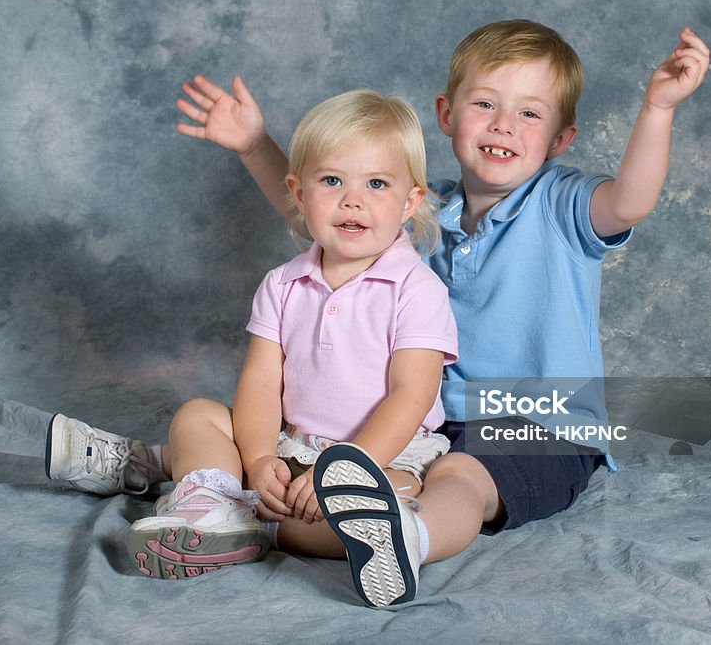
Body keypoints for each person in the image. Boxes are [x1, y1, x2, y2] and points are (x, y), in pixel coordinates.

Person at [172, 19, 710, 602]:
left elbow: (629, 201)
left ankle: (408, 538)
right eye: (485, 103)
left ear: (560, 139)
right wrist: (255, 145)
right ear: (448, 115)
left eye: (530, 113)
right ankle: (198, 485)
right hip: (431, 427)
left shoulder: (561, 204)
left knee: (459, 477)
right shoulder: (426, 213)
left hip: (538, 424)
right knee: (259, 436)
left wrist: (657, 108)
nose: (504, 124)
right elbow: (327, 213)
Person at [46, 90, 458, 605]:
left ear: (410, 201)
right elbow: (262, 383)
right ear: (298, 191)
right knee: (200, 414)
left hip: (383, 453)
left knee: (370, 506)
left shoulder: (417, 289)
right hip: (294, 442)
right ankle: (213, 499)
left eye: (377, 183)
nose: (353, 199)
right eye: (332, 181)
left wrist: (356, 464)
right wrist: (262, 458)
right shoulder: (283, 284)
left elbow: (411, 396)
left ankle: (256, 528)